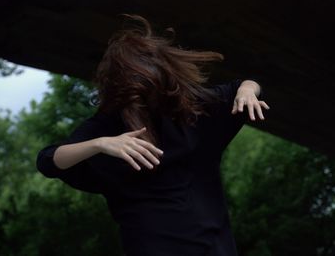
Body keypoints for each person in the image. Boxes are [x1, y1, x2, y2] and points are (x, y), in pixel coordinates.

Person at [36, 14, 270, 256]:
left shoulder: (190, 112)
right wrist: (99, 144)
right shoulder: (109, 125)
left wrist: (247, 91)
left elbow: (244, 84)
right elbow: (48, 160)